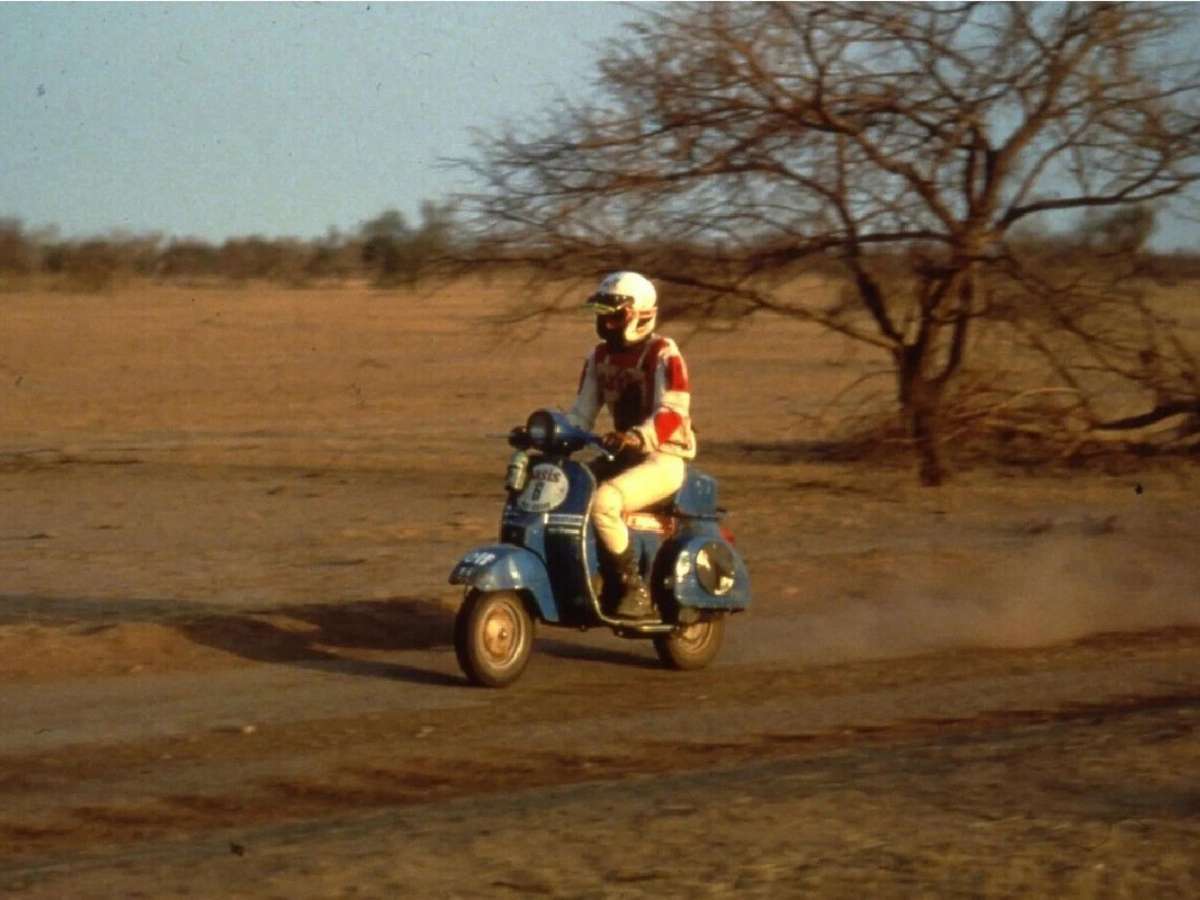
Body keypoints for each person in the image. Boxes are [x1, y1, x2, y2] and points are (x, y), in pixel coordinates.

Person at [567, 271, 697, 620]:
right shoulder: (598, 357)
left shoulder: (663, 353)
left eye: (613, 316)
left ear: (640, 315)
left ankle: (631, 588)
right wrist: (550, 433)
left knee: (605, 501)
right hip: (623, 454)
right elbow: (581, 413)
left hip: (664, 457)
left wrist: (638, 437)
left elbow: (673, 410)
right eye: (601, 316)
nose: (605, 324)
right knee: (570, 490)